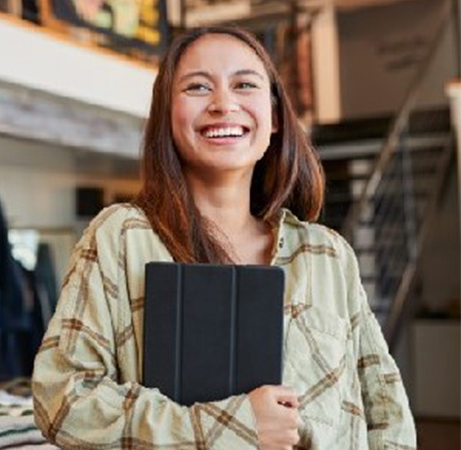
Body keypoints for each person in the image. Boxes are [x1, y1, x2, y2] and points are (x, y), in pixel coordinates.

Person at [31, 26, 416, 449]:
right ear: (167, 116)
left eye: (244, 85)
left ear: (274, 118)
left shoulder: (328, 254)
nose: (223, 104)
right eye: (197, 87)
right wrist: (230, 429)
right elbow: (63, 399)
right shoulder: (121, 238)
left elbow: (386, 410)